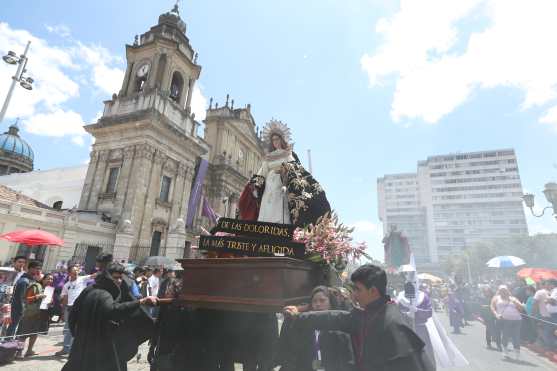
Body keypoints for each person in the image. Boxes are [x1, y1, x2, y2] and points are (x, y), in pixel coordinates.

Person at [284, 264, 435, 371]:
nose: (354, 294)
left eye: (358, 289)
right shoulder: (367, 313)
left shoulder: (393, 323)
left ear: (373, 291)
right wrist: (299, 316)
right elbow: (334, 318)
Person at [62, 263, 158, 371]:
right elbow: (112, 310)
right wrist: (140, 301)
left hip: (87, 343)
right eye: (115, 277)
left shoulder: (89, 290)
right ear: (107, 277)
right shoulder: (103, 294)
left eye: (121, 278)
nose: (119, 281)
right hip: (101, 347)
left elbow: (73, 316)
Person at [238, 120, 330, 226]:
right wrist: (255, 186)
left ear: (281, 140)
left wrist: (285, 172)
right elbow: (262, 172)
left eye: (277, 139)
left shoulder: (287, 154)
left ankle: (281, 227)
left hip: (281, 182)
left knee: (280, 206)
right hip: (269, 185)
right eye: (273, 140)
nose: (275, 142)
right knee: (267, 205)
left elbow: (295, 169)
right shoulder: (268, 157)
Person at [277, 286, 356, 371]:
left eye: (322, 300)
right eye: (314, 301)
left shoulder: (339, 327)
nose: (318, 304)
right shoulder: (303, 324)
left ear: (331, 302)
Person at [55, 265, 95, 357]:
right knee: (67, 329)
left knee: (76, 330)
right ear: (69, 273)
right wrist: (63, 312)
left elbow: (94, 275)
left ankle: (73, 351)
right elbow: (65, 299)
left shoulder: (82, 279)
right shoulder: (66, 285)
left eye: (77, 271)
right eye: (74, 271)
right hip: (69, 309)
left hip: (80, 308)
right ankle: (65, 349)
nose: (76, 273)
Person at [18, 272, 53, 357]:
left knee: (34, 334)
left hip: (40, 314)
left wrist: (50, 302)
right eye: (48, 278)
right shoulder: (35, 286)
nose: (50, 280)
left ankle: (29, 351)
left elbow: (45, 303)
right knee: (23, 334)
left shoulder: (49, 290)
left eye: (52, 279)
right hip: (30, 314)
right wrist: (38, 296)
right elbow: (26, 299)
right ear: (43, 279)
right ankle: (18, 352)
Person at [6, 260, 40, 337]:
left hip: (21, 308)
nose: (38, 271)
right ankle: (7, 342)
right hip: (18, 308)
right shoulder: (24, 281)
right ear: (31, 268)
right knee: (13, 326)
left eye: (39, 269)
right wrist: (22, 310)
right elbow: (21, 298)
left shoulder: (29, 279)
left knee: (15, 327)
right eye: (37, 268)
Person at [491, 285, 524, 360]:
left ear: (507, 291)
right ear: (499, 291)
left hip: (517, 320)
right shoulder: (496, 298)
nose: (503, 292)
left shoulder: (513, 298)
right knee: (505, 336)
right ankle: (505, 352)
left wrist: (516, 303)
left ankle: (517, 354)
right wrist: (496, 315)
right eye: (501, 290)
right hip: (505, 320)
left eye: (505, 290)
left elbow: (521, 308)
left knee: (516, 337)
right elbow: (492, 307)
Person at [534, 280, 555, 350]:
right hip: (549, 315)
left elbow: (535, 303)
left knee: (544, 331)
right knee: (549, 331)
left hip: (544, 315)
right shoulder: (550, 292)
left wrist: (534, 313)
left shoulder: (540, 292)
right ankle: (546, 345)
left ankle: (549, 347)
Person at [479, 286, 501, 350]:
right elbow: (481, 307)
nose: (487, 293)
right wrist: (482, 317)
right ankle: (489, 344)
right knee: (488, 330)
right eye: (486, 292)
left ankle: (498, 345)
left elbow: (497, 306)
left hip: (495, 316)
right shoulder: (483, 298)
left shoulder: (494, 298)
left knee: (497, 331)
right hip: (487, 317)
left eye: (488, 291)